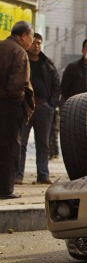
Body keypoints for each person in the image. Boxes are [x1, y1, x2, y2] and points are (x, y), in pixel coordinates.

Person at [16, 33, 60, 185]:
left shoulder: (47, 63)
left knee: (43, 143)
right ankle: (18, 175)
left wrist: (51, 104)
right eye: (34, 42)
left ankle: (43, 175)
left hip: (44, 107)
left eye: (39, 43)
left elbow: (56, 85)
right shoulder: (21, 60)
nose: (36, 46)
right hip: (26, 107)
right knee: (21, 142)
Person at [0, 21, 35, 199]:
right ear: (23, 36)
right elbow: (16, 85)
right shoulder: (19, 52)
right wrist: (20, 103)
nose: (32, 41)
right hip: (10, 107)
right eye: (31, 36)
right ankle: (6, 190)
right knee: (10, 147)